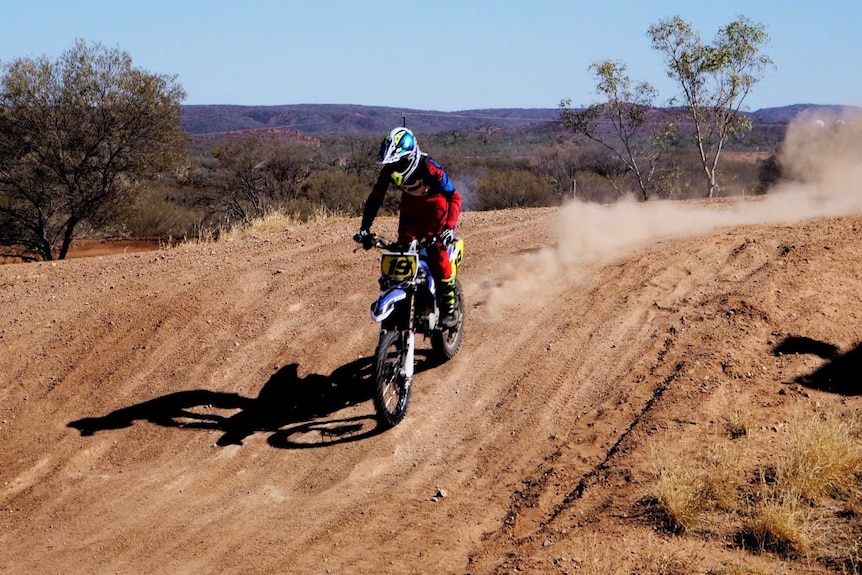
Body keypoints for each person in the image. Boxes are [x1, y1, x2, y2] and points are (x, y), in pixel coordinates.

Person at [354, 127, 463, 328]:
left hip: (436, 206)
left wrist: (448, 228)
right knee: (402, 249)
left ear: (411, 156)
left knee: (436, 250)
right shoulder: (388, 171)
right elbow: (375, 198)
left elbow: (454, 197)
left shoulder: (430, 168)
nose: (394, 168)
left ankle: (449, 306)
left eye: (399, 162)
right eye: (392, 163)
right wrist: (364, 229)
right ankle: (401, 300)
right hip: (411, 207)